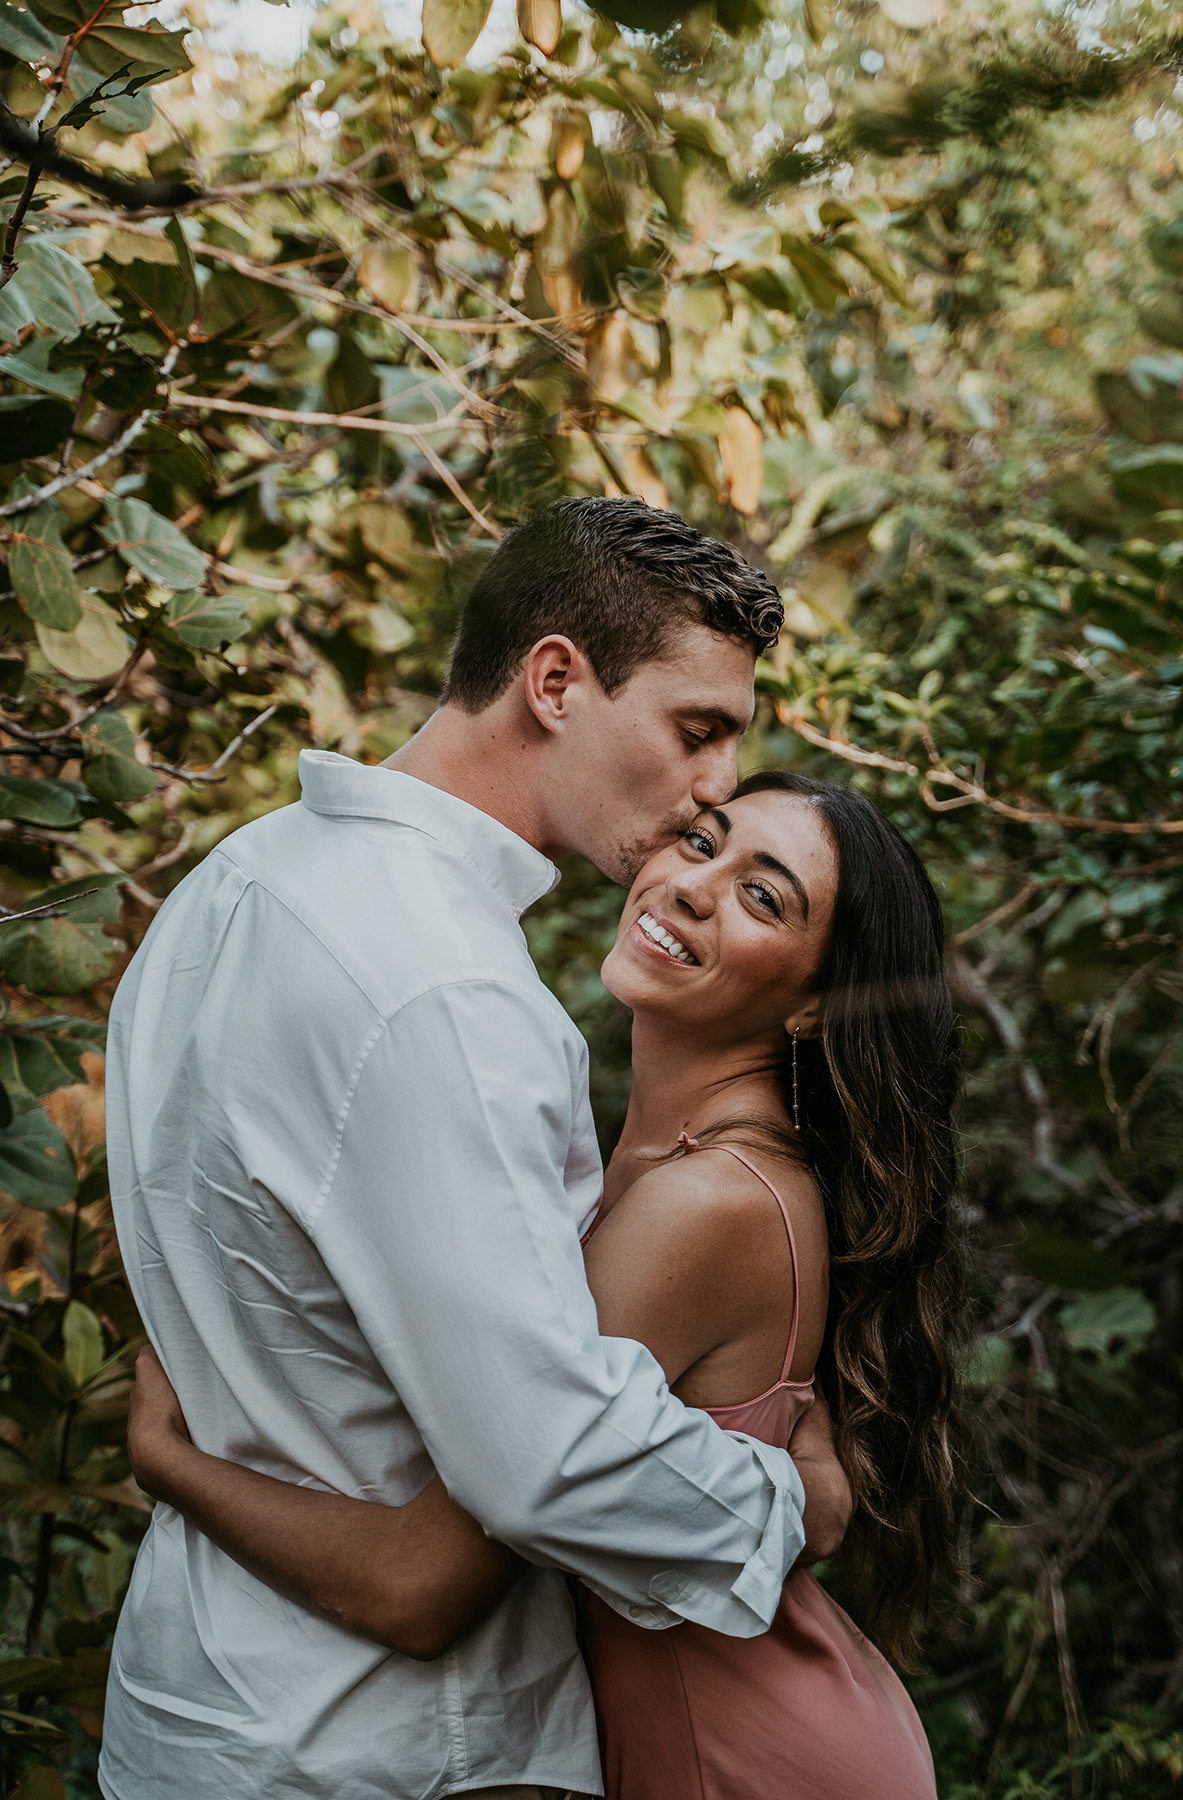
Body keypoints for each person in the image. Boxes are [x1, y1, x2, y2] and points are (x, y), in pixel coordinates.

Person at [100, 499, 854, 1800]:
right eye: (697, 731)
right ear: (555, 681)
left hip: (194, 1703)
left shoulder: (227, 885)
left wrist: (165, 1451)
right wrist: (784, 1500)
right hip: (386, 1750)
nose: (717, 784)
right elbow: (540, 1455)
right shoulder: (454, 996)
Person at [128, 770, 964, 1800]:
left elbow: (421, 1586)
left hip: (741, 1753)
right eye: (702, 842)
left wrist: (169, 1458)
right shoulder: (656, 1164)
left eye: (764, 895)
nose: (695, 886)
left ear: (815, 1006)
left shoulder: (708, 1203)